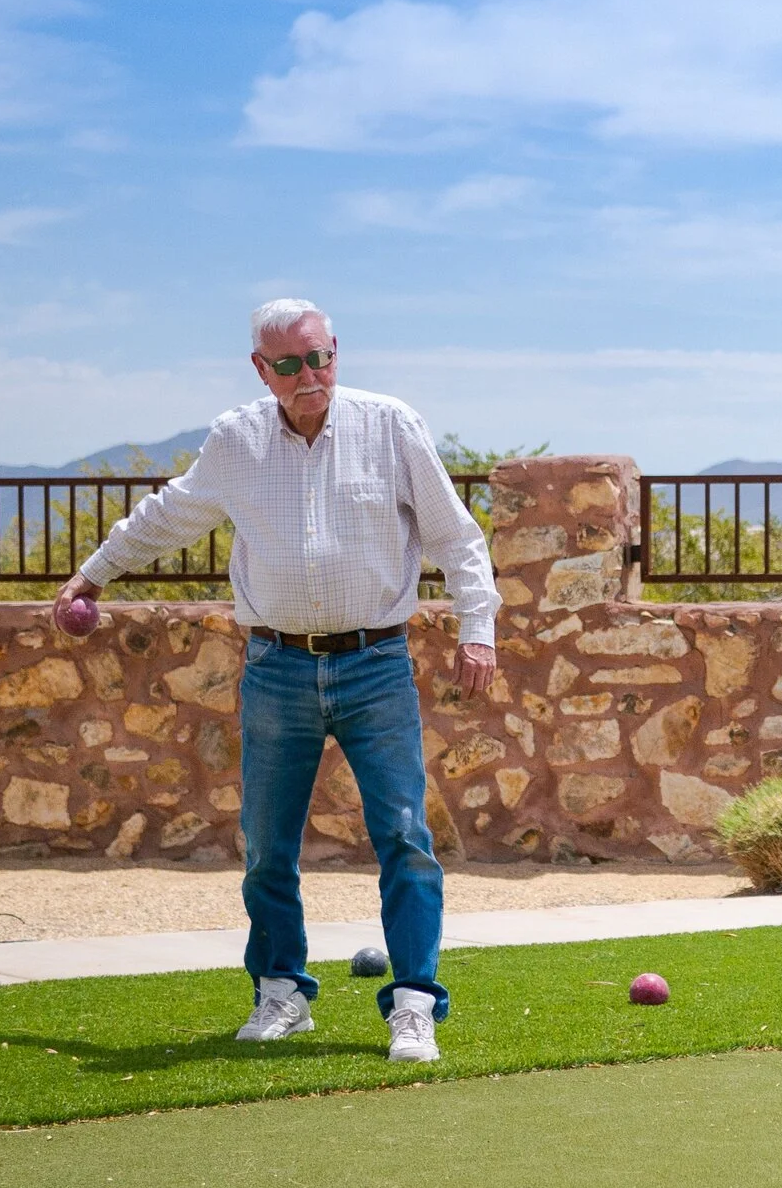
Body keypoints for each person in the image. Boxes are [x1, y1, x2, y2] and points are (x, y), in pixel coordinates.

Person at [55, 299, 499, 1063]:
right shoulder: (237, 440)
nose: (310, 375)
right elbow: (169, 515)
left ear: (336, 351)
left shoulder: (391, 426)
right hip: (276, 667)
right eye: (289, 364)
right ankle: (282, 993)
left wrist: (478, 628)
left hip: (376, 664)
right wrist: (91, 575)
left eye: (320, 357)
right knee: (265, 846)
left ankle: (414, 1004)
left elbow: (456, 536)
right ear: (261, 369)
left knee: (405, 835)